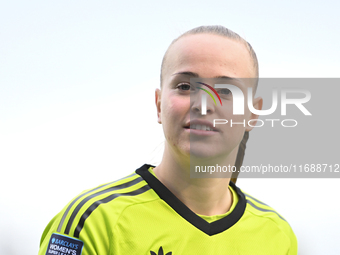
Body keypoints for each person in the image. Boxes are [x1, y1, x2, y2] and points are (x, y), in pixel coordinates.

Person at [38, 25, 298, 255]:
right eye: (185, 86)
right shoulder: (93, 220)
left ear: (252, 114)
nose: (203, 105)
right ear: (159, 105)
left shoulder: (277, 235)